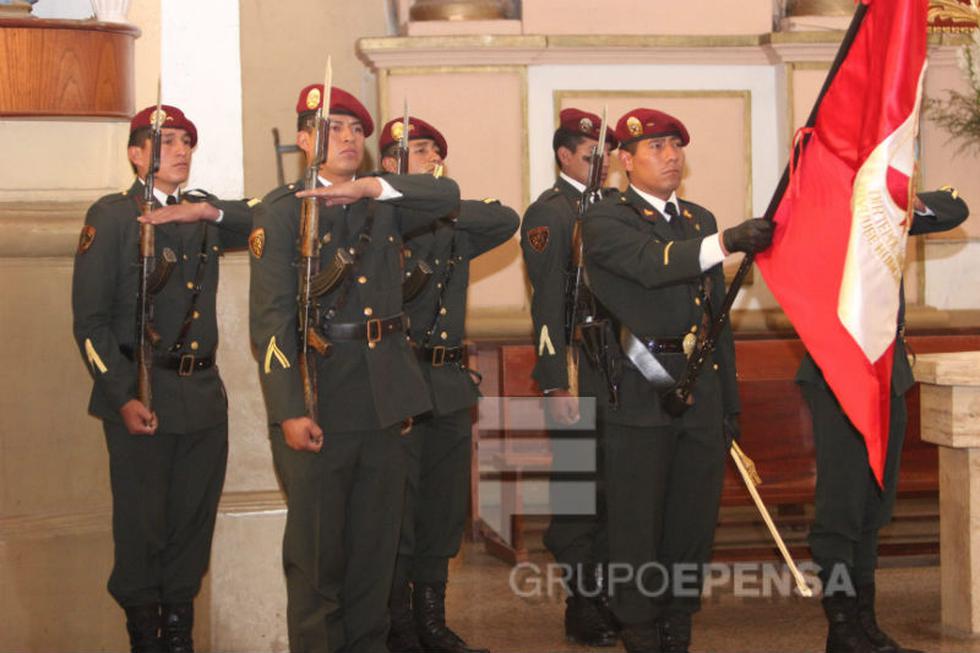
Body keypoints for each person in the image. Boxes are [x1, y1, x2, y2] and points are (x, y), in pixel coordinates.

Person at [248, 84, 459, 653]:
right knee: (320, 559)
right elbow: (270, 325)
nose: (346, 137)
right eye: (332, 126)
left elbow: (447, 195)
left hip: (385, 401)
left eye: (354, 130)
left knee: (376, 556)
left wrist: (373, 185)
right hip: (320, 399)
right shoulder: (283, 210)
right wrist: (289, 409)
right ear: (303, 138)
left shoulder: (383, 201)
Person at [581, 108, 772, 653]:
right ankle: (639, 632)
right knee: (637, 527)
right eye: (656, 148)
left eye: (675, 147)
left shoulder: (697, 218)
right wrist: (729, 241)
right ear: (625, 160)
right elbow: (653, 264)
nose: (670, 156)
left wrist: (728, 405)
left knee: (690, 529)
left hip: (700, 396)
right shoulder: (605, 220)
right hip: (640, 396)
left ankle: (677, 628)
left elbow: (716, 318)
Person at [71, 104, 254, 653]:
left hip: (201, 399)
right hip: (142, 395)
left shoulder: (201, 215)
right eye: (164, 141)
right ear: (135, 154)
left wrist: (205, 215)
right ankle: (146, 640)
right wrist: (122, 396)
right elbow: (90, 323)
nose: (178, 150)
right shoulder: (112, 217)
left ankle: (179, 635)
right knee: (142, 529)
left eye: (185, 142)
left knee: (191, 528)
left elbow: (266, 217)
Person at [799, 187, 969, 653]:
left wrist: (902, 198)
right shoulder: (821, 211)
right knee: (841, 510)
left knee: (874, 506)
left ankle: (865, 624)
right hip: (839, 373)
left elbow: (954, 210)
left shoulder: (880, 209)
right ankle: (842, 626)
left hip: (887, 372)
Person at [376, 115, 519, 653]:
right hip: (399, 380)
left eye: (434, 150)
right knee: (401, 509)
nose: (431, 159)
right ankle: (399, 625)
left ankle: (432, 620)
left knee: (441, 509)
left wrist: (439, 200)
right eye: (415, 151)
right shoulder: (380, 221)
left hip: (450, 382)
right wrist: (409, 199)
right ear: (389, 167)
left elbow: (505, 219)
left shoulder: (454, 225)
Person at [519, 107, 619, 646]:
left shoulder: (616, 209)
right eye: (589, 156)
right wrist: (556, 380)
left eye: (604, 156)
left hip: (618, 368)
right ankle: (583, 603)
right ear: (564, 155)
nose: (600, 165)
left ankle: (610, 592)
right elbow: (547, 305)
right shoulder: (550, 214)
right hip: (578, 366)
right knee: (582, 492)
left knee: (616, 488)